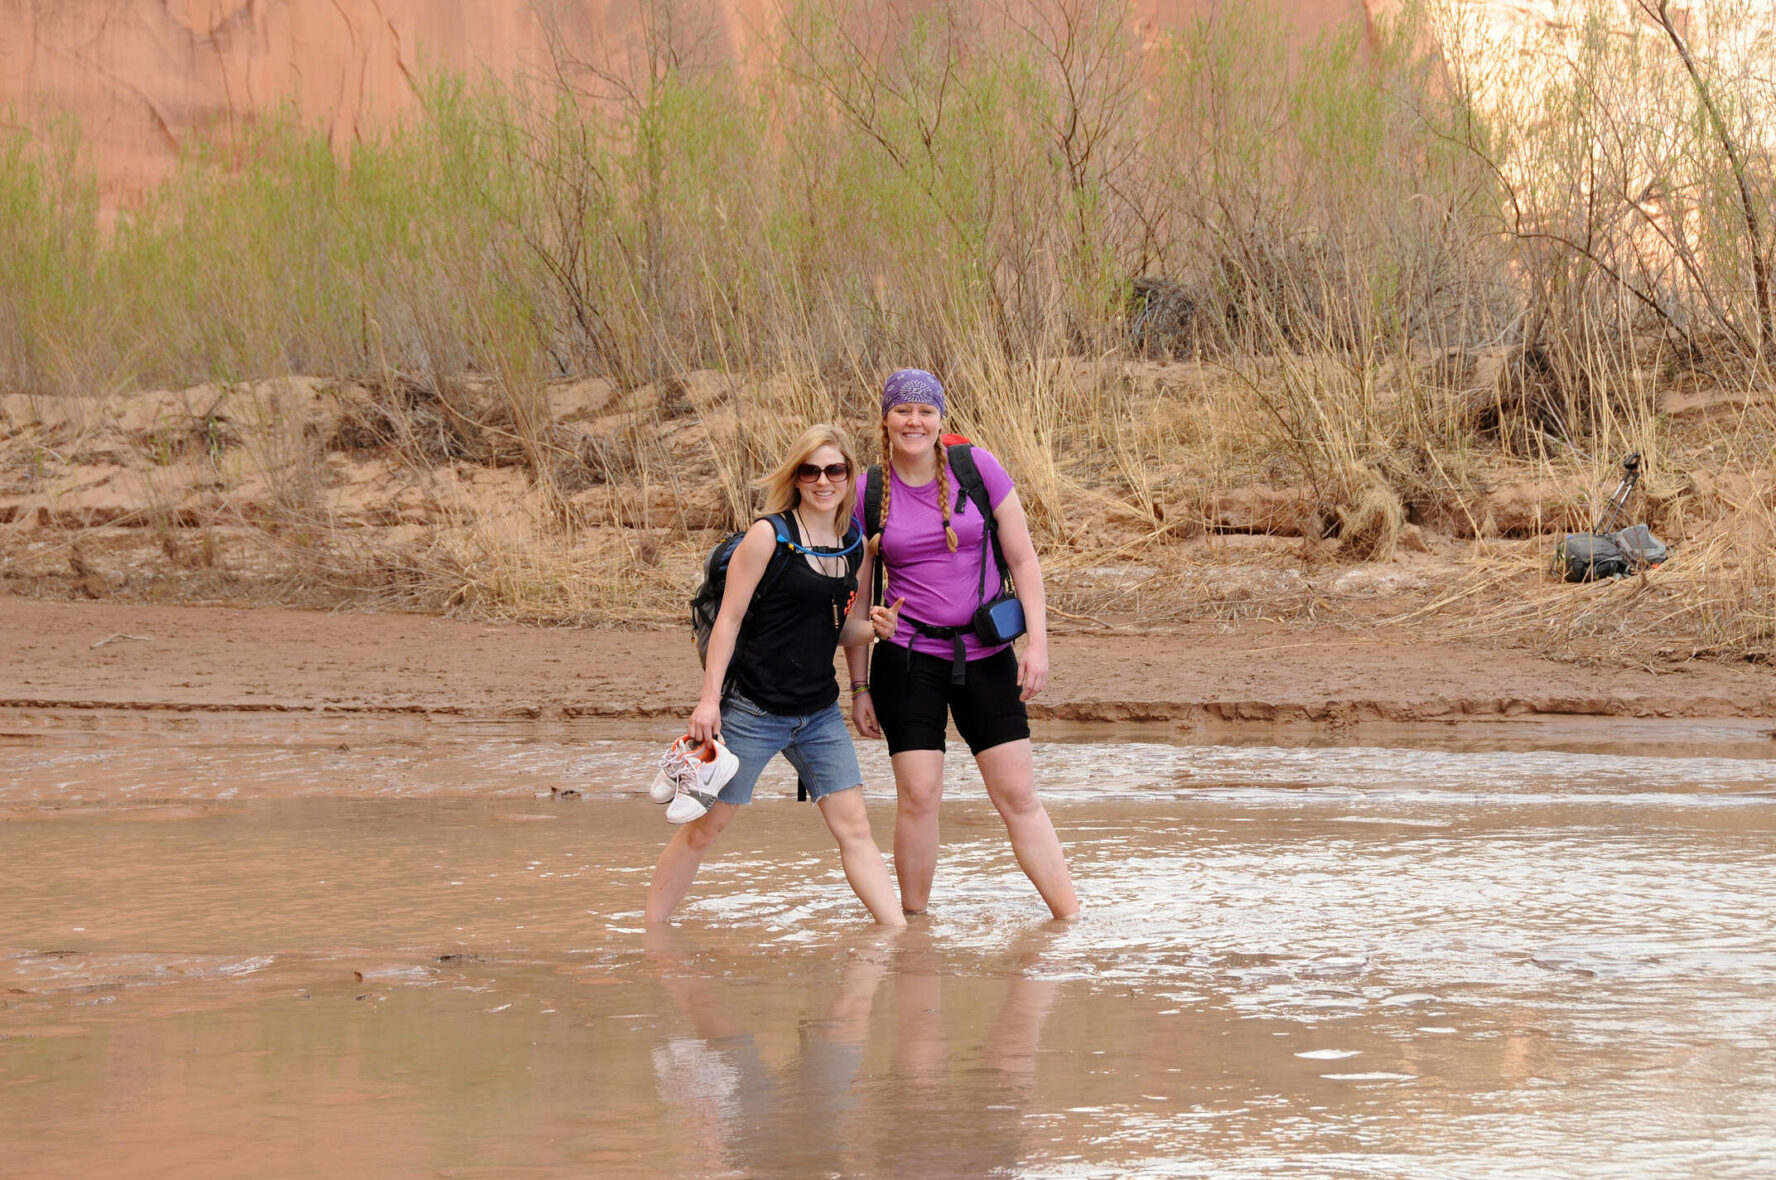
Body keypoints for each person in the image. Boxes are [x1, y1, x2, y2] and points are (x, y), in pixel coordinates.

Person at [644, 424, 906, 928]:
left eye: (835, 470)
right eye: (811, 470)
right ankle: (652, 936)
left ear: (849, 475)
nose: (823, 480)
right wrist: (708, 702)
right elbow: (730, 620)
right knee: (703, 829)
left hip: (818, 713)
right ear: (797, 475)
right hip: (753, 710)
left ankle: (898, 939)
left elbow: (837, 630)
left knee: (855, 829)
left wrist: (876, 633)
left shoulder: (854, 543)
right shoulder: (770, 535)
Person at [846, 370, 1080, 920]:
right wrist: (858, 686)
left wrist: (1038, 647)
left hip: (987, 655)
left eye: (925, 412)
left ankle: (1071, 920)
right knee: (920, 798)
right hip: (905, 660)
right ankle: (914, 929)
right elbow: (858, 602)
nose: (913, 421)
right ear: (886, 419)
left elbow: (1024, 561)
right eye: (902, 411)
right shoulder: (866, 491)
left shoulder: (980, 469)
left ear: (940, 419)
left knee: (1018, 796)